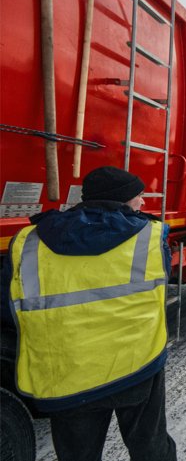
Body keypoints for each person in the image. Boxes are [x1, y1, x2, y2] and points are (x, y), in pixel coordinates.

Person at [6, 166, 176, 461]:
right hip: (138, 363)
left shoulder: (30, 240)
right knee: (151, 449)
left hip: (69, 375)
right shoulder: (150, 235)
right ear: (123, 200)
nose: (144, 204)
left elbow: (12, 306)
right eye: (139, 197)